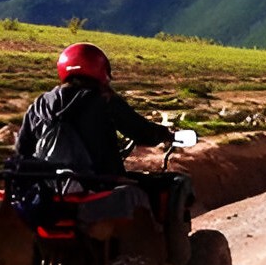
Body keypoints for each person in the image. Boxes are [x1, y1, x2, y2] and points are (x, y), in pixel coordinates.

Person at [16, 42, 175, 176]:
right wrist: (165, 134)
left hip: (47, 188)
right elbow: (141, 131)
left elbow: (22, 149)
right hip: (100, 183)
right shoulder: (105, 99)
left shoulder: (41, 103)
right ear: (100, 68)